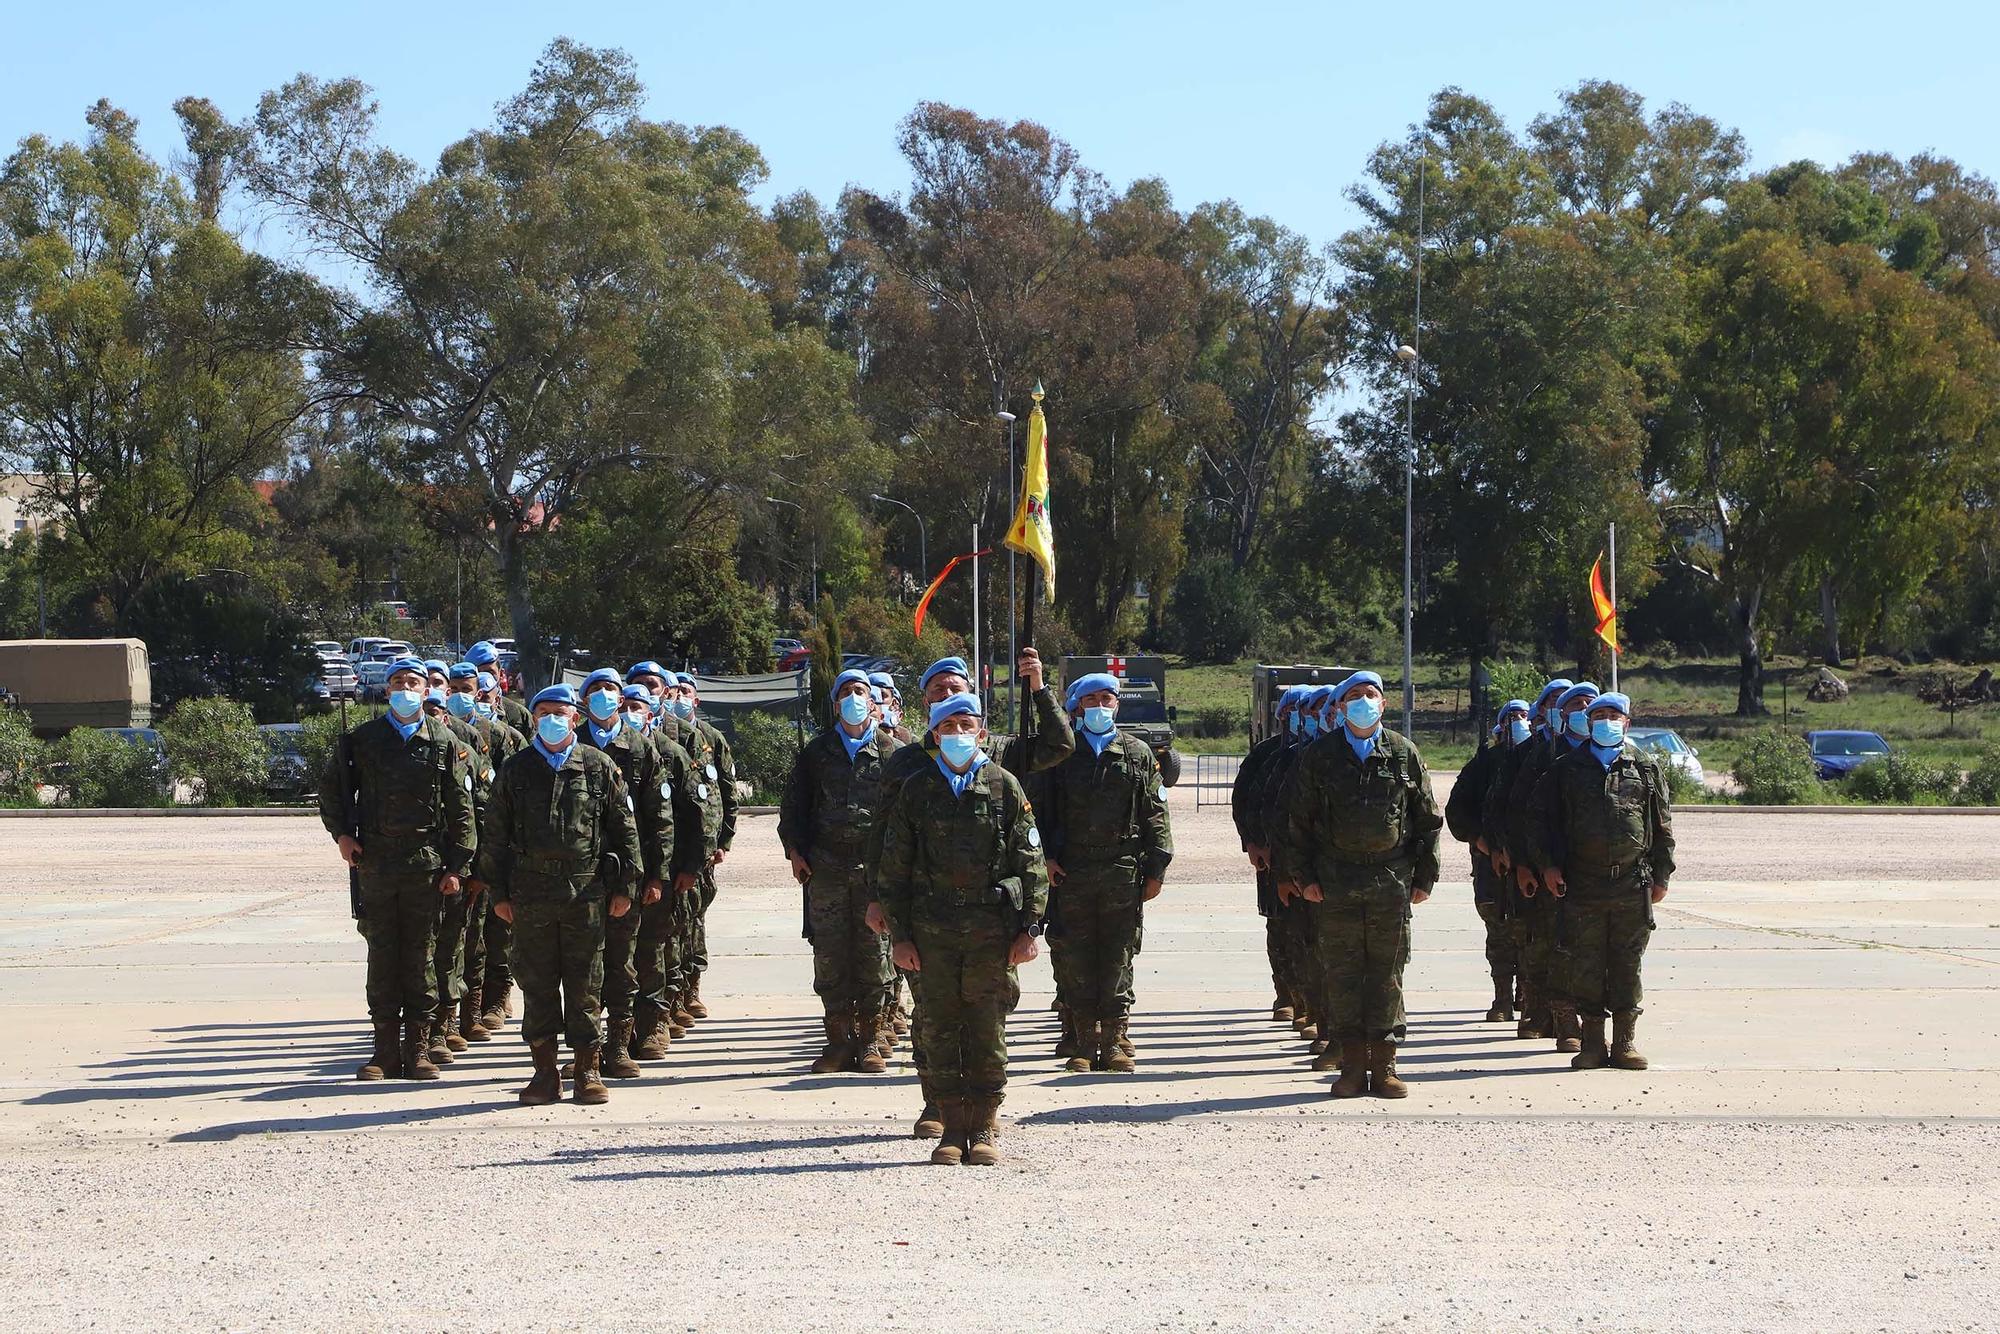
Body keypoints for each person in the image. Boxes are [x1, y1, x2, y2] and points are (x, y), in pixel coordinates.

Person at [864, 649, 1073, 1139]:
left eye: (957, 693)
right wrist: (881, 904)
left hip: (988, 922)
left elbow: (1060, 745)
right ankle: (939, 1103)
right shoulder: (909, 768)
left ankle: (983, 1117)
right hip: (930, 919)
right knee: (933, 1016)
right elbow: (887, 840)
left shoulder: (1002, 763)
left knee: (986, 1018)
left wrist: (1039, 688)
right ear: (928, 715)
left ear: (977, 719)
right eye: (939, 696)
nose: (952, 710)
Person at [471, 684, 642, 1106]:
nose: (552, 719)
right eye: (544, 711)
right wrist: (498, 893)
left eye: (560, 712)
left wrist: (626, 888)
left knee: (586, 984)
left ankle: (587, 1071)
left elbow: (625, 830)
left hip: (586, 893)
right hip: (531, 894)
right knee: (537, 983)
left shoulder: (599, 767)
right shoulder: (516, 770)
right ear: (532, 719)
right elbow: (495, 835)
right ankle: (545, 1074)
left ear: (575, 718)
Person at [1275, 670, 1441, 1099]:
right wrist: (1304, 877)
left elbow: (1427, 822)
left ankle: (1384, 1065)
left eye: (1372, 694)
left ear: (1384, 704)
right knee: (1343, 974)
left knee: (1387, 974)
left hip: (1390, 881)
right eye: (1355, 695)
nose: (1364, 701)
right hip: (1337, 882)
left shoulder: (1404, 754)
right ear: (1341, 706)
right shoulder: (1319, 757)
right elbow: (1298, 824)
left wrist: (1425, 876)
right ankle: (1350, 1066)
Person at [317, 656, 476, 1082]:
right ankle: (384, 1051)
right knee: (382, 956)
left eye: (414, 682)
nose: (406, 688)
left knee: (422, 956)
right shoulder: (362, 740)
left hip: (427, 868)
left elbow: (463, 811)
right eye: (398, 682)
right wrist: (342, 835)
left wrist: (458, 865)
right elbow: (333, 791)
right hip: (378, 867)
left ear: (427, 692)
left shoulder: (447, 742)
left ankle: (419, 1048)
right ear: (387, 691)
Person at [1528, 691, 1673, 1071]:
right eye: (1599, 715)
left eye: (1614, 714)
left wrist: (1662, 875)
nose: (1607, 720)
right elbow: (1544, 822)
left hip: (1631, 882)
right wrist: (1549, 866)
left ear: (1626, 722)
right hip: (1583, 883)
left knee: (1627, 962)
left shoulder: (1644, 768)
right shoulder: (1566, 768)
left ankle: (1624, 1043)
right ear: (1589, 722)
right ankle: (1592, 1042)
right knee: (1586, 963)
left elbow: (1661, 827)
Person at [1041, 672, 1172, 1072]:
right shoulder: (1061, 754)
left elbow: (1156, 813)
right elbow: (1040, 810)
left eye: (1108, 698)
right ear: (1077, 705)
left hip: (1122, 869)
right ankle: (1082, 1042)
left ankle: (1114, 1040)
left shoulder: (1137, 753)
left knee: (1118, 955)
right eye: (1092, 698)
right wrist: (1045, 858)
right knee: (1076, 956)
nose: (1101, 705)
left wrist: (1157, 868)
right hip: (1073, 870)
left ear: (1118, 704)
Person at [778, 667, 905, 1073]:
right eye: (846, 691)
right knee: (830, 958)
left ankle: (870, 1040)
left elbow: (907, 816)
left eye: (861, 691)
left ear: (873, 701)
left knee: (874, 959)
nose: (854, 698)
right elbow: (793, 810)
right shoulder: (816, 754)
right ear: (835, 703)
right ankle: (837, 1042)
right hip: (826, 872)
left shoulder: (893, 754)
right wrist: (795, 852)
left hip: (875, 872)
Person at [572, 668, 674, 1080]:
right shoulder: (568, 743)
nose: (602, 696)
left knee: (623, 963)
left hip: (626, 875)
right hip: (576, 879)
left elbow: (660, 817)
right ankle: (586, 1052)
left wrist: (656, 875)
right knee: (581, 968)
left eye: (610, 689)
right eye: (594, 690)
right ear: (583, 701)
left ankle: (618, 1046)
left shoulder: (641, 747)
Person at [1505, 680, 1598, 1053]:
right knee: (1551, 944)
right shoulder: (1540, 754)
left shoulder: (1610, 755)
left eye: (1586, 705)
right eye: (1570, 705)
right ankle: (1560, 1021)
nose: (1579, 711)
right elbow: (1515, 812)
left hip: (1593, 872)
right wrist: (1526, 865)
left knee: (1589, 950)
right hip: (1549, 869)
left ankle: (1585, 1018)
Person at [615, 683, 706, 1063]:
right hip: (610, 872)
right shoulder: (597, 750)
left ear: (653, 712)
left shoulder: (670, 753)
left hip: (656, 869)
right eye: (628, 704)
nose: (632, 712)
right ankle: (613, 1035)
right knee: (611, 957)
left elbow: (690, 814)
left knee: (652, 951)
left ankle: (653, 1024)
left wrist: (687, 866)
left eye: (640, 705)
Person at [1482, 679, 1569, 1040]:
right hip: (1530, 867)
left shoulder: (1588, 758)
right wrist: (1508, 855)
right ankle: (1532, 1010)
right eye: (1556, 702)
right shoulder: (1524, 756)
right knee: (1533, 940)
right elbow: (1504, 810)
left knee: (1577, 948)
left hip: (1581, 870)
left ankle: (1572, 1022)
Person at [444, 661, 523, 1043]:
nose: (459, 693)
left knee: (496, 929)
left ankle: (493, 999)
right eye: (451, 686)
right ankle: (451, 1014)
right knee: (458, 936)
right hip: (453, 850)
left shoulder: (500, 735)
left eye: (466, 686)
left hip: (494, 846)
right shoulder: (448, 735)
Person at [1444, 698, 1532, 1023]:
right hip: (1489, 864)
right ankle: (1502, 997)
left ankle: (1527, 994)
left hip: (1527, 863)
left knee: (1528, 931)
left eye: (1525, 715)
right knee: (1498, 928)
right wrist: (1482, 843)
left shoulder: (1537, 760)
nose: (1519, 721)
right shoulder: (1483, 763)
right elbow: (1457, 811)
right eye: (1512, 717)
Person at [1235, 686, 1308, 1025]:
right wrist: (1252, 843)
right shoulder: (1265, 755)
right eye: (1292, 710)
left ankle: (1311, 1000)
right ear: (1281, 715)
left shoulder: (1319, 754)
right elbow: (1246, 802)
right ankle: (1286, 995)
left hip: (1310, 859)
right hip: (1270, 858)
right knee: (1280, 926)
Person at [669, 672, 736, 1026]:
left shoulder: (710, 739)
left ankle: (689, 988)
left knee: (693, 920)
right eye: (672, 690)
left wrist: (722, 841)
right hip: (667, 849)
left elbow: (723, 794)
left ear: (696, 699)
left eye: (685, 691)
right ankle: (672, 994)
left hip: (699, 850)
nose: (678, 696)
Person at [464, 641, 531, 733]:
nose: (485, 678)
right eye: (478, 673)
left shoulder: (518, 715)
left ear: (501, 674)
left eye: (490, 673)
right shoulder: (456, 712)